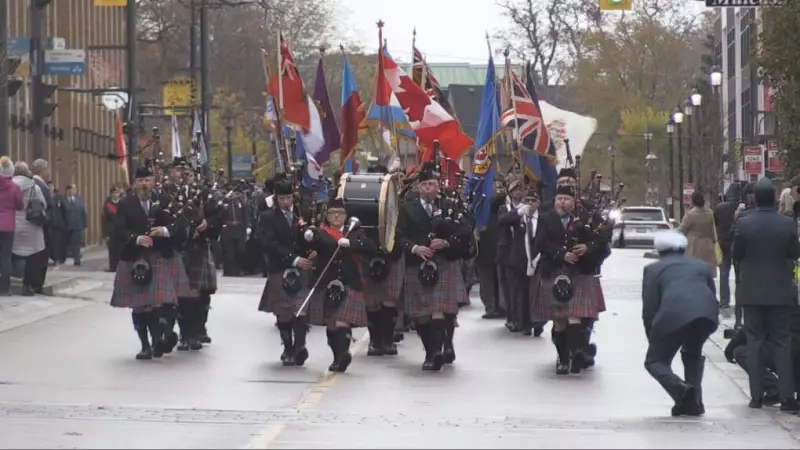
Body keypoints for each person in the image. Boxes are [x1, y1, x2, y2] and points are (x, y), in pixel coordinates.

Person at [108, 165, 192, 360]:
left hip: (159, 256)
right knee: (139, 306)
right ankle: (145, 345)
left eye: (147, 180)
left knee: (160, 303)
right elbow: (118, 231)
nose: (144, 185)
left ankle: (158, 340)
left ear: (153, 181)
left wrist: (165, 231)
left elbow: (181, 225)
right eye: (140, 181)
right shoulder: (125, 204)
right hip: (134, 258)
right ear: (134, 183)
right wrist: (136, 238)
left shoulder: (165, 200)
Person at [733, 177, 800, 411]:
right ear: (774, 197)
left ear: (753, 197)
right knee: (782, 341)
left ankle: (757, 395)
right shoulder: (787, 224)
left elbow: (737, 254)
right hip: (780, 290)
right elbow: (794, 252)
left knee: (755, 341)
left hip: (752, 290)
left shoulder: (744, 223)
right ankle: (787, 396)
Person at [396, 164, 470, 371]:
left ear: (439, 187)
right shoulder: (406, 207)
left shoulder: (451, 205)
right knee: (421, 315)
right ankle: (431, 349)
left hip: (444, 262)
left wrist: (447, 243)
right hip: (417, 264)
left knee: (439, 310)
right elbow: (398, 236)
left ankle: (435, 353)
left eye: (433, 185)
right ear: (419, 187)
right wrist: (414, 248)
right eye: (425, 185)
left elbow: (465, 232)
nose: (429, 189)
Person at [642, 230, 719, 416]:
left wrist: (651, 334)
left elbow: (650, 305)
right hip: (706, 316)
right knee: (692, 354)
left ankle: (681, 391)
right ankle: (695, 402)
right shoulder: (701, 266)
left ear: (659, 251)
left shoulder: (652, 270)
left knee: (655, 362)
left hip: (673, 315)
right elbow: (711, 292)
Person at [531, 185, 606, 375]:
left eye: (566, 198)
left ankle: (575, 354)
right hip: (554, 271)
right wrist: (561, 254)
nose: (562, 202)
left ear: (574, 202)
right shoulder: (546, 219)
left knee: (575, 317)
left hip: (579, 273)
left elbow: (600, 241)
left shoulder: (584, 220)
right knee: (559, 320)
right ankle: (562, 357)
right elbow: (540, 243)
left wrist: (587, 248)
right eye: (559, 198)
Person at [303, 197, 377, 372]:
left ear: (346, 215)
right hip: (327, 283)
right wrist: (307, 237)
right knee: (331, 323)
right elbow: (312, 243)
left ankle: (343, 353)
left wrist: (350, 243)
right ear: (326, 216)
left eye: (340, 213)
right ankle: (337, 357)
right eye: (332, 213)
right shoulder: (321, 233)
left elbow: (370, 246)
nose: (336, 216)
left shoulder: (354, 232)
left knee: (342, 322)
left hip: (349, 281)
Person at [258, 179, 316, 366]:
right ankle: (288, 347)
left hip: (303, 267)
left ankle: (300, 346)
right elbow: (269, 243)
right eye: (282, 198)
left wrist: (313, 251)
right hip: (280, 267)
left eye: (288, 198)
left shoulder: (304, 213)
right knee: (283, 312)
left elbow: (313, 237)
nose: (285, 202)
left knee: (299, 310)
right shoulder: (268, 217)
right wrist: (293, 259)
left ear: (293, 197)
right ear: (276, 199)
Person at [11, 162, 48, 296]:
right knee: (32, 256)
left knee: (13, 253)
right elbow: (43, 203)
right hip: (32, 226)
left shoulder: (10, 186)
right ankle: (28, 285)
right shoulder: (34, 187)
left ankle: (11, 280)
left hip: (14, 224)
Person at [678, 191, 718, 279]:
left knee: (693, 273)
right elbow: (713, 229)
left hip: (694, 246)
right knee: (706, 274)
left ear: (693, 201)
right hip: (708, 246)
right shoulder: (710, 213)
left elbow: (681, 230)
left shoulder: (690, 215)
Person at [713, 183, 741, 308]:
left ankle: (725, 301)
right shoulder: (741, 208)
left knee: (724, 274)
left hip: (723, 243)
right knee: (740, 274)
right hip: (738, 243)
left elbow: (715, 224)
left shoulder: (719, 208)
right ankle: (740, 301)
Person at [0, 157, 23, 296]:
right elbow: (20, 205)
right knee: (6, 257)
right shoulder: (14, 187)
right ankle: (4, 288)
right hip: (8, 225)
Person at [63, 185, 87, 266]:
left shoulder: (79, 200)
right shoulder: (63, 200)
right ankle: (62, 258)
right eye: (69, 190)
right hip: (66, 225)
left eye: (73, 190)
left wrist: (84, 223)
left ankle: (77, 259)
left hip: (77, 225)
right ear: (66, 191)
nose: (71, 192)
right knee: (65, 243)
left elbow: (83, 212)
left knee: (76, 243)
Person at [103, 187, 122, 272]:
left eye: (117, 193)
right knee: (112, 250)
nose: (115, 195)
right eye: (114, 193)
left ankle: (120, 267)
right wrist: (105, 234)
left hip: (120, 231)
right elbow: (103, 221)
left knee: (120, 249)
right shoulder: (107, 205)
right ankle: (112, 267)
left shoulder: (122, 204)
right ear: (111, 194)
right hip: (110, 231)